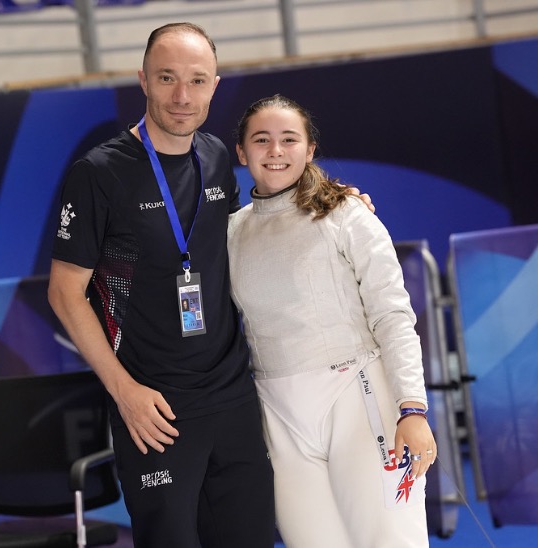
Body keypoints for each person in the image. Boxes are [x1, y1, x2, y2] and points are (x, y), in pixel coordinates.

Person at [47, 23, 275, 548]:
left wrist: (336, 204)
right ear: (143, 81)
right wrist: (123, 391)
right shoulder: (100, 172)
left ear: (214, 86)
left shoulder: (215, 156)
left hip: (232, 397)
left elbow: (256, 230)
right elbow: (64, 292)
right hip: (155, 408)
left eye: (197, 80)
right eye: (167, 78)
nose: (182, 96)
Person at [227, 94, 437, 548]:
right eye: (261, 140)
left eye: (289, 139)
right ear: (242, 153)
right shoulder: (231, 233)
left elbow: (393, 314)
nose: (276, 151)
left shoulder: (346, 214)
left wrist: (412, 408)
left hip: (358, 398)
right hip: (279, 413)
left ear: (310, 150)